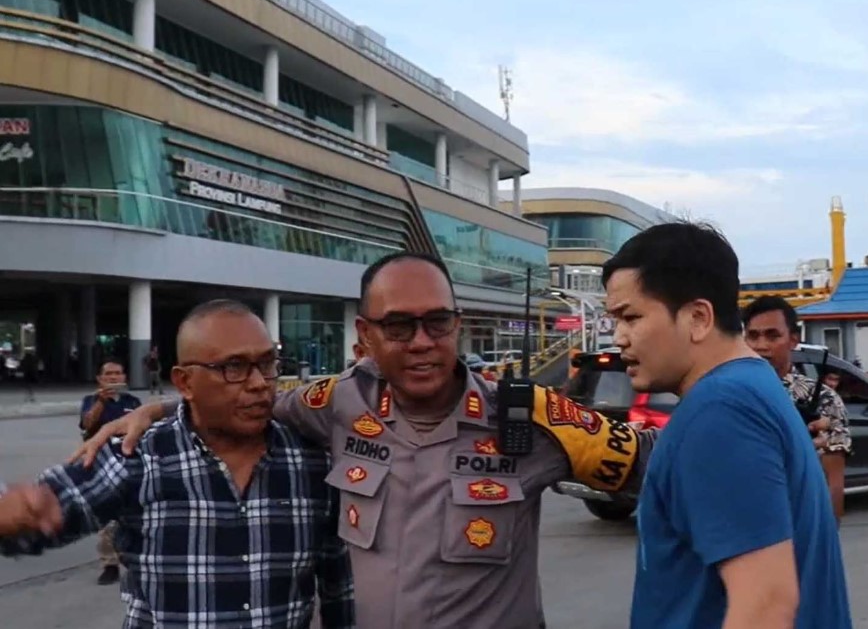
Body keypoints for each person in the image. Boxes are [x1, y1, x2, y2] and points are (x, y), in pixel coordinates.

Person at [74, 252, 649, 629]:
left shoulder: (535, 418)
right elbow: (242, 399)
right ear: (367, 336)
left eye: (437, 323)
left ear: (457, 323)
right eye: (399, 326)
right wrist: (159, 407)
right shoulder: (335, 403)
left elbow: (670, 471)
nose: (422, 341)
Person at [0, 300, 354, 629]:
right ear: (185, 382)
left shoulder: (311, 464)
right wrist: (19, 515)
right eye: (234, 367)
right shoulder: (139, 456)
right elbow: (49, 507)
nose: (260, 383)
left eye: (267, 364)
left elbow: (339, 587)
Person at [603, 222, 850, 628]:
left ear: (699, 317)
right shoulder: (753, 387)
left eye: (630, 317)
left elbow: (766, 605)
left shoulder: (720, 410)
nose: (619, 337)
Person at [742, 295, 851, 522]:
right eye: (753, 336)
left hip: (799, 520)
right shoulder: (731, 393)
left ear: (793, 340)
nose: (761, 346)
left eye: (773, 336)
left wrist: (825, 539)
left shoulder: (823, 399)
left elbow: (833, 482)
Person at [79, 358, 142, 585]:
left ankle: (136, 559)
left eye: (117, 373)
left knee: (134, 514)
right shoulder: (91, 401)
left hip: (130, 464)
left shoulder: (133, 402)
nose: (113, 378)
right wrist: (100, 403)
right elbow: (87, 425)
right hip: (102, 467)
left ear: (124, 377)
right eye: (108, 374)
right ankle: (109, 564)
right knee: (106, 516)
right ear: (100, 379)